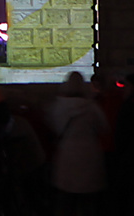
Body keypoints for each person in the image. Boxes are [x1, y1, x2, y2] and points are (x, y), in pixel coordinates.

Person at [49, 71, 109, 215]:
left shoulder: (58, 107)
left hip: (67, 156)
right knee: (88, 203)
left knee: (67, 202)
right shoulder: (91, 107)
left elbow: (53, 127)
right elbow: (104, 128)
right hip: (89, 155)